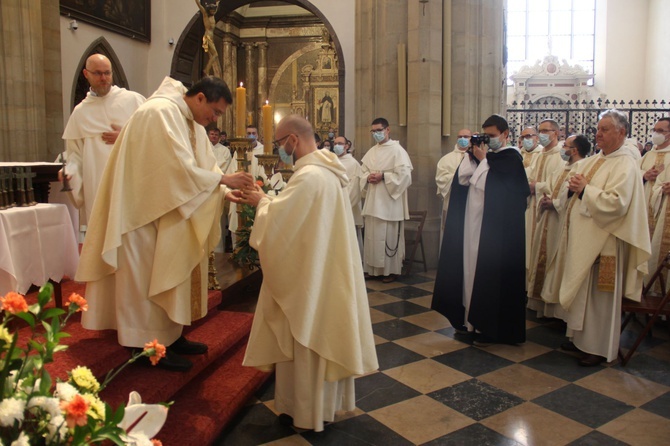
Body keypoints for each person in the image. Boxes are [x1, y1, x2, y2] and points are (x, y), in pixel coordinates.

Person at [75, 76, 254, 372]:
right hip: (140, 215)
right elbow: (173, 168)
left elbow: (200, 167)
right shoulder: (158, 112)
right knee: (143, 281)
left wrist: (223, 191)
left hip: (165, 210)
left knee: (166, 276)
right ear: (199, 98)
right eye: (215, 112)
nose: (214, 120)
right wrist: (221, 179)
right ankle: (143, 344)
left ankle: (169, 338)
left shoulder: (189, 121)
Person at [240, 115, 378, 432]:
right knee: (317, 340)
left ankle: (304, 412)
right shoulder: (328, 173)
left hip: (310, 280)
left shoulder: (310, 177)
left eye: (278, 143)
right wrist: (270, 203)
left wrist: (262, 202)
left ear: (293, 139)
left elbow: (282, 224)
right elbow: (299, 220)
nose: (279, 149)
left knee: (306, 339)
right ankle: (320, 409)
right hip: (324, 272)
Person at [541, 109, 650, 366]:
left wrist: (585, 189)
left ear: (621, 132)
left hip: (605, 241)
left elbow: (617, 203)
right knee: (582, 292)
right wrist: (575, 186)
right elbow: (573, 183)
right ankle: (578, 338)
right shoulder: (593, 160)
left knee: (599, 297)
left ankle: (598, 347)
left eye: (604, 130)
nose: (598, 134)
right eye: (598, 129)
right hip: (584, 237)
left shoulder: (626, 165)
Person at [431, 114, 529, 346]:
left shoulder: (511, 158)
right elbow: (464, 180)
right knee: (468, 272)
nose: (490, 141)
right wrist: (473, 158)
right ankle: (468, 320)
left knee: (487, 276)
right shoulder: (484, 158)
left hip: (495, 234)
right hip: (471, 227)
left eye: (493, 136)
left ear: (506, 135)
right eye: (486, 136)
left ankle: (488, 325)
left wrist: (484, 160)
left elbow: (496, 188)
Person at [61, 54, 145, 235]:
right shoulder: (80, 113)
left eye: (107, 73)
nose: (104, 78)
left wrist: (125, 137)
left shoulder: (133, 101)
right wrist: (70, 172)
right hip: (96, 185)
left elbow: (155, 137)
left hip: (128, 184)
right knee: (101, 235)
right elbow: (75, 155)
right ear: (86, 74)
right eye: (98, 73)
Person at [527, 134, 591, 317]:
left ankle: (557, 311)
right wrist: (544, 194)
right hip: (550, 219)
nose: (563, 148)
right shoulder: (565, 166)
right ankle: (545, 307)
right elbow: (550, 184)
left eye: (566, 146)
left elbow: (570, 196)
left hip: (562, 223)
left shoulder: (582, 167)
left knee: (558, 263)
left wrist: (553, 203)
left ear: (575, 150)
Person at [360, 117, 413, 283]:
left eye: (379, 130)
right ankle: (373, 270)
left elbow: (405, 176)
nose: (376, 134)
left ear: (388, 130)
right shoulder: (371, 152)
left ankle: (390, 271)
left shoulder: (398, 151)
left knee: (388, 236)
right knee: (372, 237)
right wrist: (367, 177)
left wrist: (384, 176)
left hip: (390, 203)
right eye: (373, 131)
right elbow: (361, 174)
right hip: (373, 202)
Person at [525, 120, 565, 290]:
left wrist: (537, 186)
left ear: (555, 133)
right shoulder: (540, 155)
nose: (541, 134)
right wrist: (530, 185)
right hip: (532, 205)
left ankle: (544, 292)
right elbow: (528, 176)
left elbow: (560, 183)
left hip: (549, 209)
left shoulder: (561, 156)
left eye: (545, 131)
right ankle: (529, 286)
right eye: (540, 131)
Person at [435, 129, 471, 249]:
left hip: (471, 200)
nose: (463, 139)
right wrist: (459, 178)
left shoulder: (476, 158)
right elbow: (440, 179)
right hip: (452, 201)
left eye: (466, 136)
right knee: (451, 234)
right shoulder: (446, 159)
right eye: (460, 136)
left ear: (471, 138)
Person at [639, 118, 670, 236]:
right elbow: (633, 174)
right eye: (655, 130)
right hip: (645, 208)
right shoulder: (648, 155)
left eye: (661, 131)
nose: (656, 134)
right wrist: (644, 176)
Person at [334, 135, 364, 255]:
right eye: (335, 143)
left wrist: (342, 203)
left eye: (340, 143)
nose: (337, 146)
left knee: (349, 238)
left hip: (347, 206)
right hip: (333, 204)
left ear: (346, 146)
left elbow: (354, 188)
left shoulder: (353, 164)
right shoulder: (332, 161)